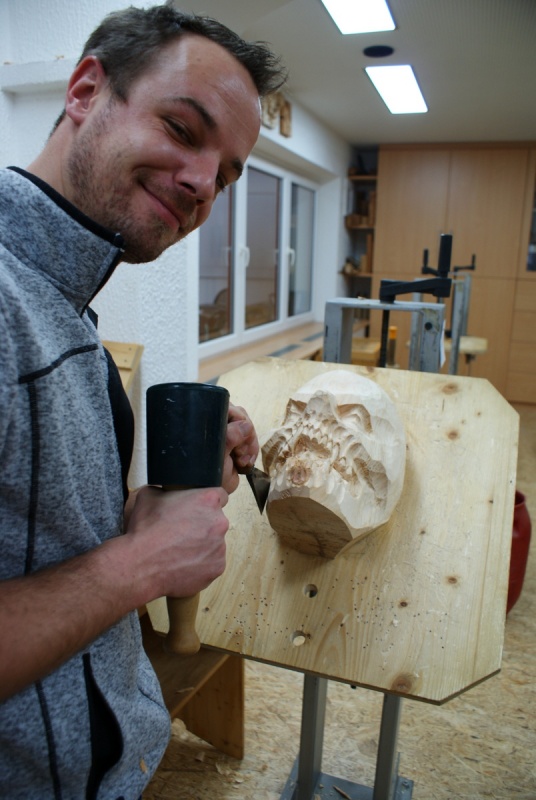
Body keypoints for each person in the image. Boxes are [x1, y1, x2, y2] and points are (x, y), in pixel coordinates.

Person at [0, 4, 286, 798]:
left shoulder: (65, 308)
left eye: (224, 176)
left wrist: (157, 513)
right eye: (182, 128)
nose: (201, 185)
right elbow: (114, 570)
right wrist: (140, 562)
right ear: (86, 90)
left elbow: (42, 545)